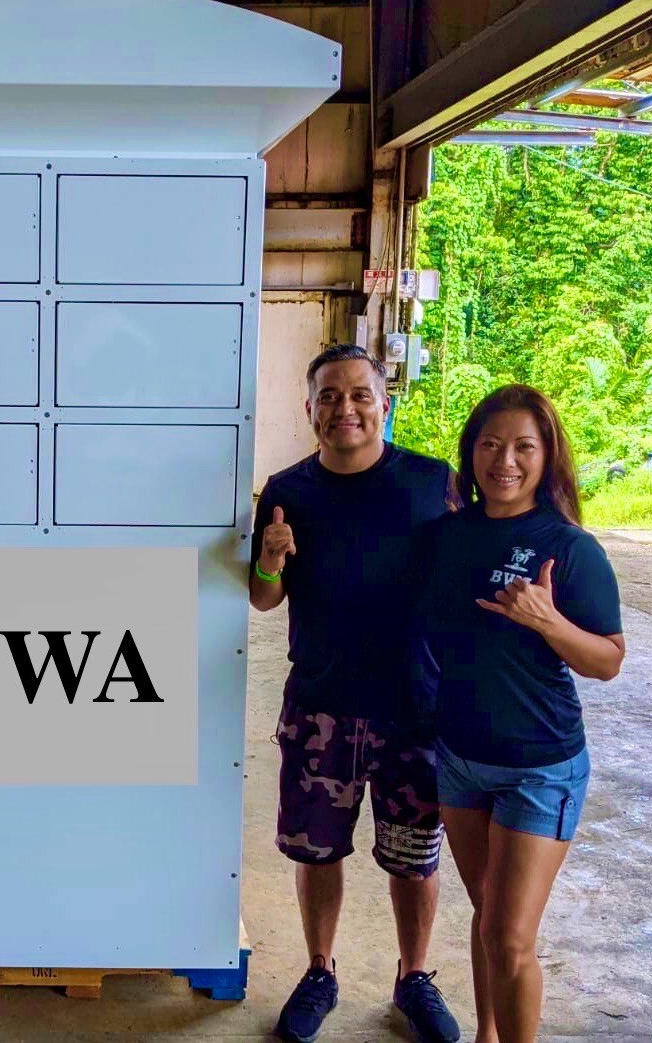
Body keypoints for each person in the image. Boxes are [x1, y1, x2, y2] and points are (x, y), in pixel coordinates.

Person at [251, 344, 461, 1043]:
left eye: (361, 394)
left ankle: (415, 976)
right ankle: (319, 969)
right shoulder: (287, 490)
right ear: (309, 410)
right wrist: (273, 559)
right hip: (321, 707)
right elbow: (261, 597)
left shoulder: (435, 484)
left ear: (385, 402)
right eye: (330, 396)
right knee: (319, 851)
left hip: (415, 710)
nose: (346, 408)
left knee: (413, 853)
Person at [420, 385, 624, 1043]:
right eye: (490, 444)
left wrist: (550, 620)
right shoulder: (447, 535)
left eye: (522, 447)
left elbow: (608, 660)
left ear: (547, 457)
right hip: (459, 758)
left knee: (510, 935)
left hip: (541, 765)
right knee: (487, 917)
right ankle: (486, 1033)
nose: (504, 460)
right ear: (471, 452)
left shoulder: (568, 547)